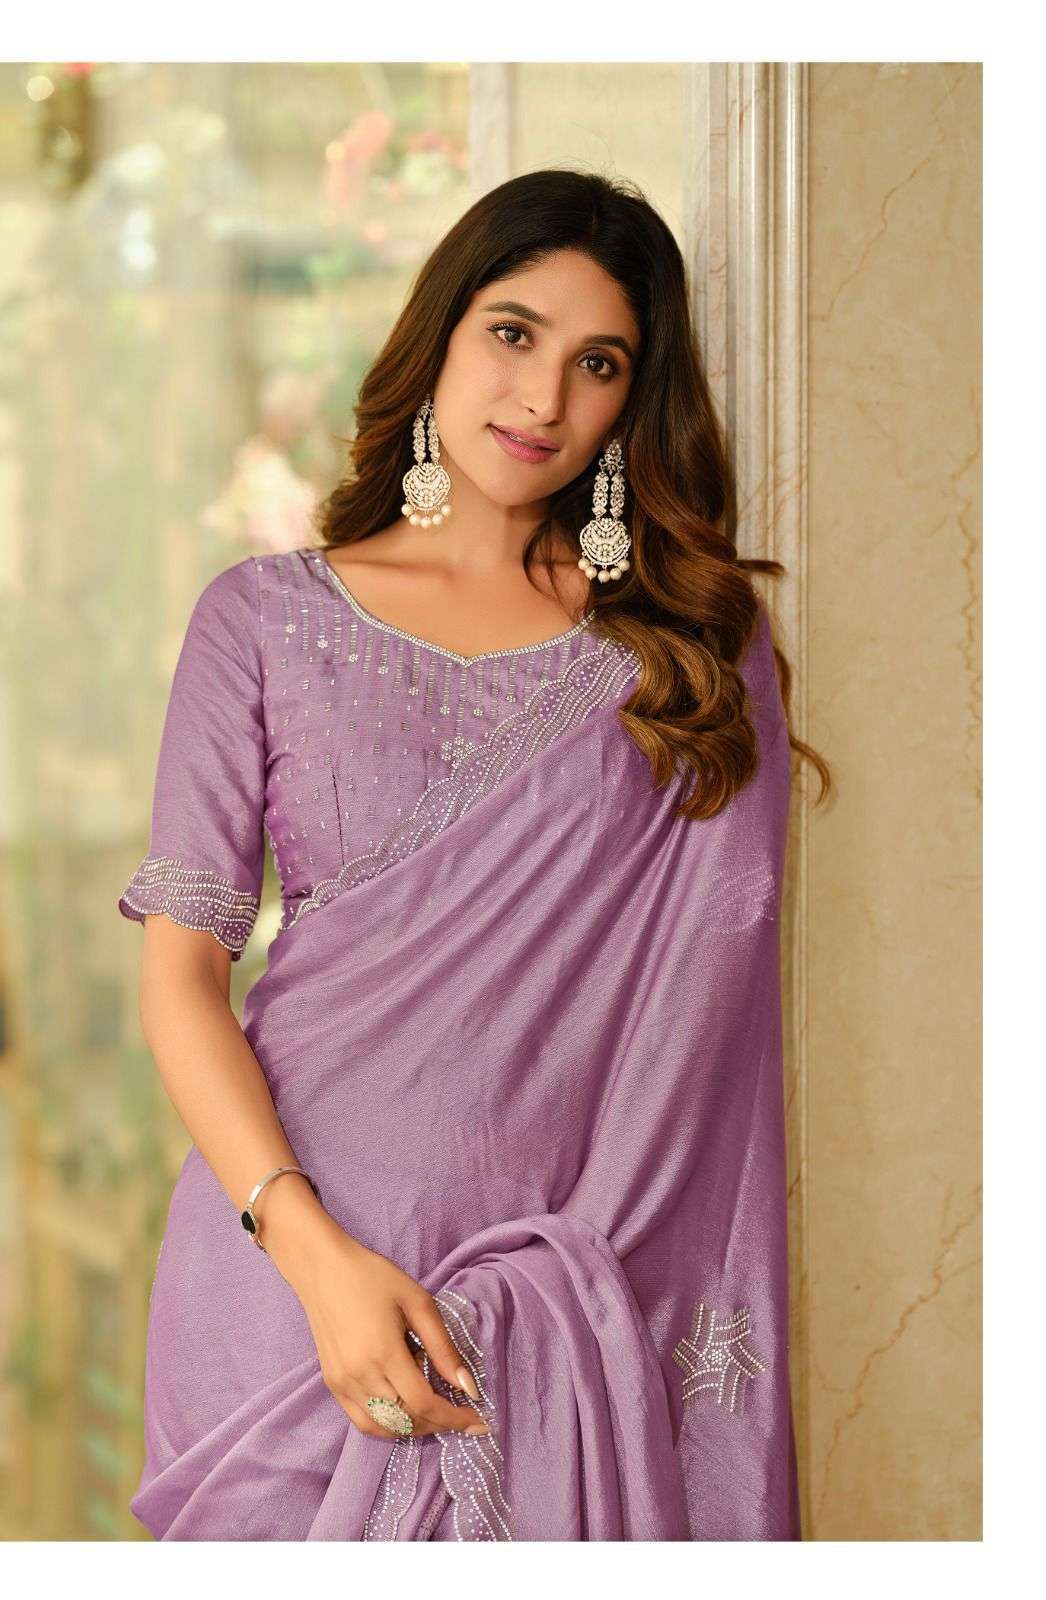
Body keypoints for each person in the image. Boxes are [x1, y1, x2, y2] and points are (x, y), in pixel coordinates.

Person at [117, 168, 829, 1541]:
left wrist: (551, 1301)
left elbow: (705, 1025)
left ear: (633, 399)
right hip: (279, 1279)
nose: (543, 397)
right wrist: (314, 1258)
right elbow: (181, 980)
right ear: (439, 331)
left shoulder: (687, 654)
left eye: (597, 363)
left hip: (569, 1289)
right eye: (513, 333)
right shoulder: (258, 620)